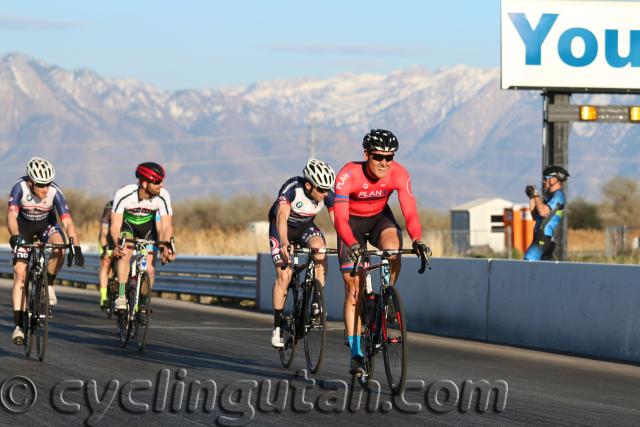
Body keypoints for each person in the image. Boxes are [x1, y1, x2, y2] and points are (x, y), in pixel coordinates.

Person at [334, 129, 429, 376]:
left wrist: (417, 239)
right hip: (351, 225)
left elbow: (410, 211)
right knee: (354, 290)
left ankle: (386, 298)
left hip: (379, 218)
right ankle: (356, 354)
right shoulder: (348, 175)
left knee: (393, 250)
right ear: (366, 154)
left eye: (389, 157)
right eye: (378, 157)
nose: (384, 163)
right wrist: (352, 244)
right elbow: (340, 220)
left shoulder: (399, 173)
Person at [7, 157, 84, 344]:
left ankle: (48, 284)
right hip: (23, 229)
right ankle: (18, 326)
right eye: (41, 185)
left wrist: (76, 245)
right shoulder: (19, 188)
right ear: (31, 182)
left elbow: (67, 222)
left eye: (48, 183)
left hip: (46, 227)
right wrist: (15, 235)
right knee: (20, 274)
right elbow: (11, 216)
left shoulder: (55, 192)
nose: (45, 189)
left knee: (60, 247)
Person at [268, 159, 336, 348]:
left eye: (328, 189)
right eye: (321, 189)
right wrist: (284, 242)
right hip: (281, 229)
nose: (325, 193)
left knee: (321, 251)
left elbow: (337, 220)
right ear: (308, 185)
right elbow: (281, 216)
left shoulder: (327, 194)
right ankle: (277, 328)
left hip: (305, 227)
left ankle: (316, 303)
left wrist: (348, 243)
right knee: (284, 275)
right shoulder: (292, 188)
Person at [110, 162, 176, 312]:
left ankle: (143, 302)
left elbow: (167, 226)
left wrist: (166, 246)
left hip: (147, 228)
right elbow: (115, 226)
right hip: (128, 226)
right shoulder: (124, 194)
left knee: (150, 269)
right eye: (157, 182)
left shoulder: (163, 196)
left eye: (162, 181)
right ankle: (121, 296)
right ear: (145, 183)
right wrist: (117, 245)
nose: (161, 185)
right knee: (125, 252)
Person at [524, 165, 569, 261]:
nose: (543, 182)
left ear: (553, 180)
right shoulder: (550, 197)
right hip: (539, 238)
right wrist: (531, 197)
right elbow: (535, 216)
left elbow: (543, 212)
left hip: (543, 239)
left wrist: (536, 194)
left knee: (526, 265)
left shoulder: (558, 196)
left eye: (545, 179)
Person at [98, 200, 115, 309]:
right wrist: (105, 250)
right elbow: (103, 233)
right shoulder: (109, 207)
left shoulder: (130, 207)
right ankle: (103, 297)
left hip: (119, 241)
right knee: (105, 263)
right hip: (106, 240)